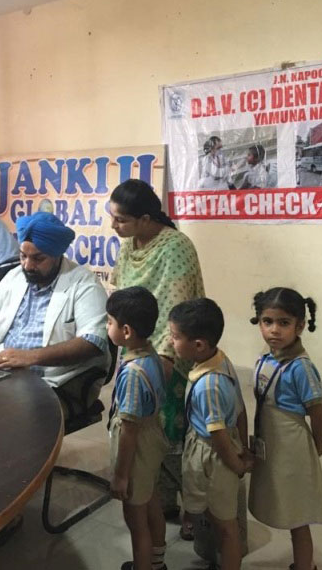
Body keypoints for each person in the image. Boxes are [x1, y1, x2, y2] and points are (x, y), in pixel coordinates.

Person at [109, 178, 205, 539]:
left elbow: (175, 308)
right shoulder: (128, 245)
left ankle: (196, 507)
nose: (114, 226)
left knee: (175, 434)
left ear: (146, 218)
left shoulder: (176, 246)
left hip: (170, 354)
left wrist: (162, 360)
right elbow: (121, 294)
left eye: (121, 220)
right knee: (147, 432)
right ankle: (160, 501)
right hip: (136, 351)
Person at [0, 212, 109, 416]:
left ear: (57, 254)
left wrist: (30, 357)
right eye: (23, 255)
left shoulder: (84, 284)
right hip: (3, 374)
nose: (27, 265)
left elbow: (93, 342)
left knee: (1, 417)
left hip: (56, 383)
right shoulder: (15, 276)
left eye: (38, 258)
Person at [247, 287, 322, 570]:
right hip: (272, 443)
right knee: (280, 502)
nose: (274, 330)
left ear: (299, 326)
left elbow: (319, 416)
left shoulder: (301, 368)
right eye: (267, 321)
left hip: (293, 448)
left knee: (297, 516)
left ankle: (305, 565)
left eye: (284, 323)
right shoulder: (267, 356)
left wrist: (315, 447)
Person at [168, 298, 252, 570]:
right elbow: (240, 411)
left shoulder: (209, 386)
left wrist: (237, 464)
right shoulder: (220, 359)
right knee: (217, 518)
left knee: (226, 527)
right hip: (216, 451)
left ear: (199, 345)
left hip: (214, 457)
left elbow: (218, 437)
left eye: (175, 336)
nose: (171, 342)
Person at [106, 287, 169, 570]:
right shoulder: (150, 354)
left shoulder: (132, 373)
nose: (107, 326)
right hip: (153, 436)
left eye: (109, 322)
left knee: (136, 520)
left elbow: (129, 432)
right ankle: (157, 562)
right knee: (151, 499)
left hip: (137, 446)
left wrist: (121, 476)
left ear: (127, 331)